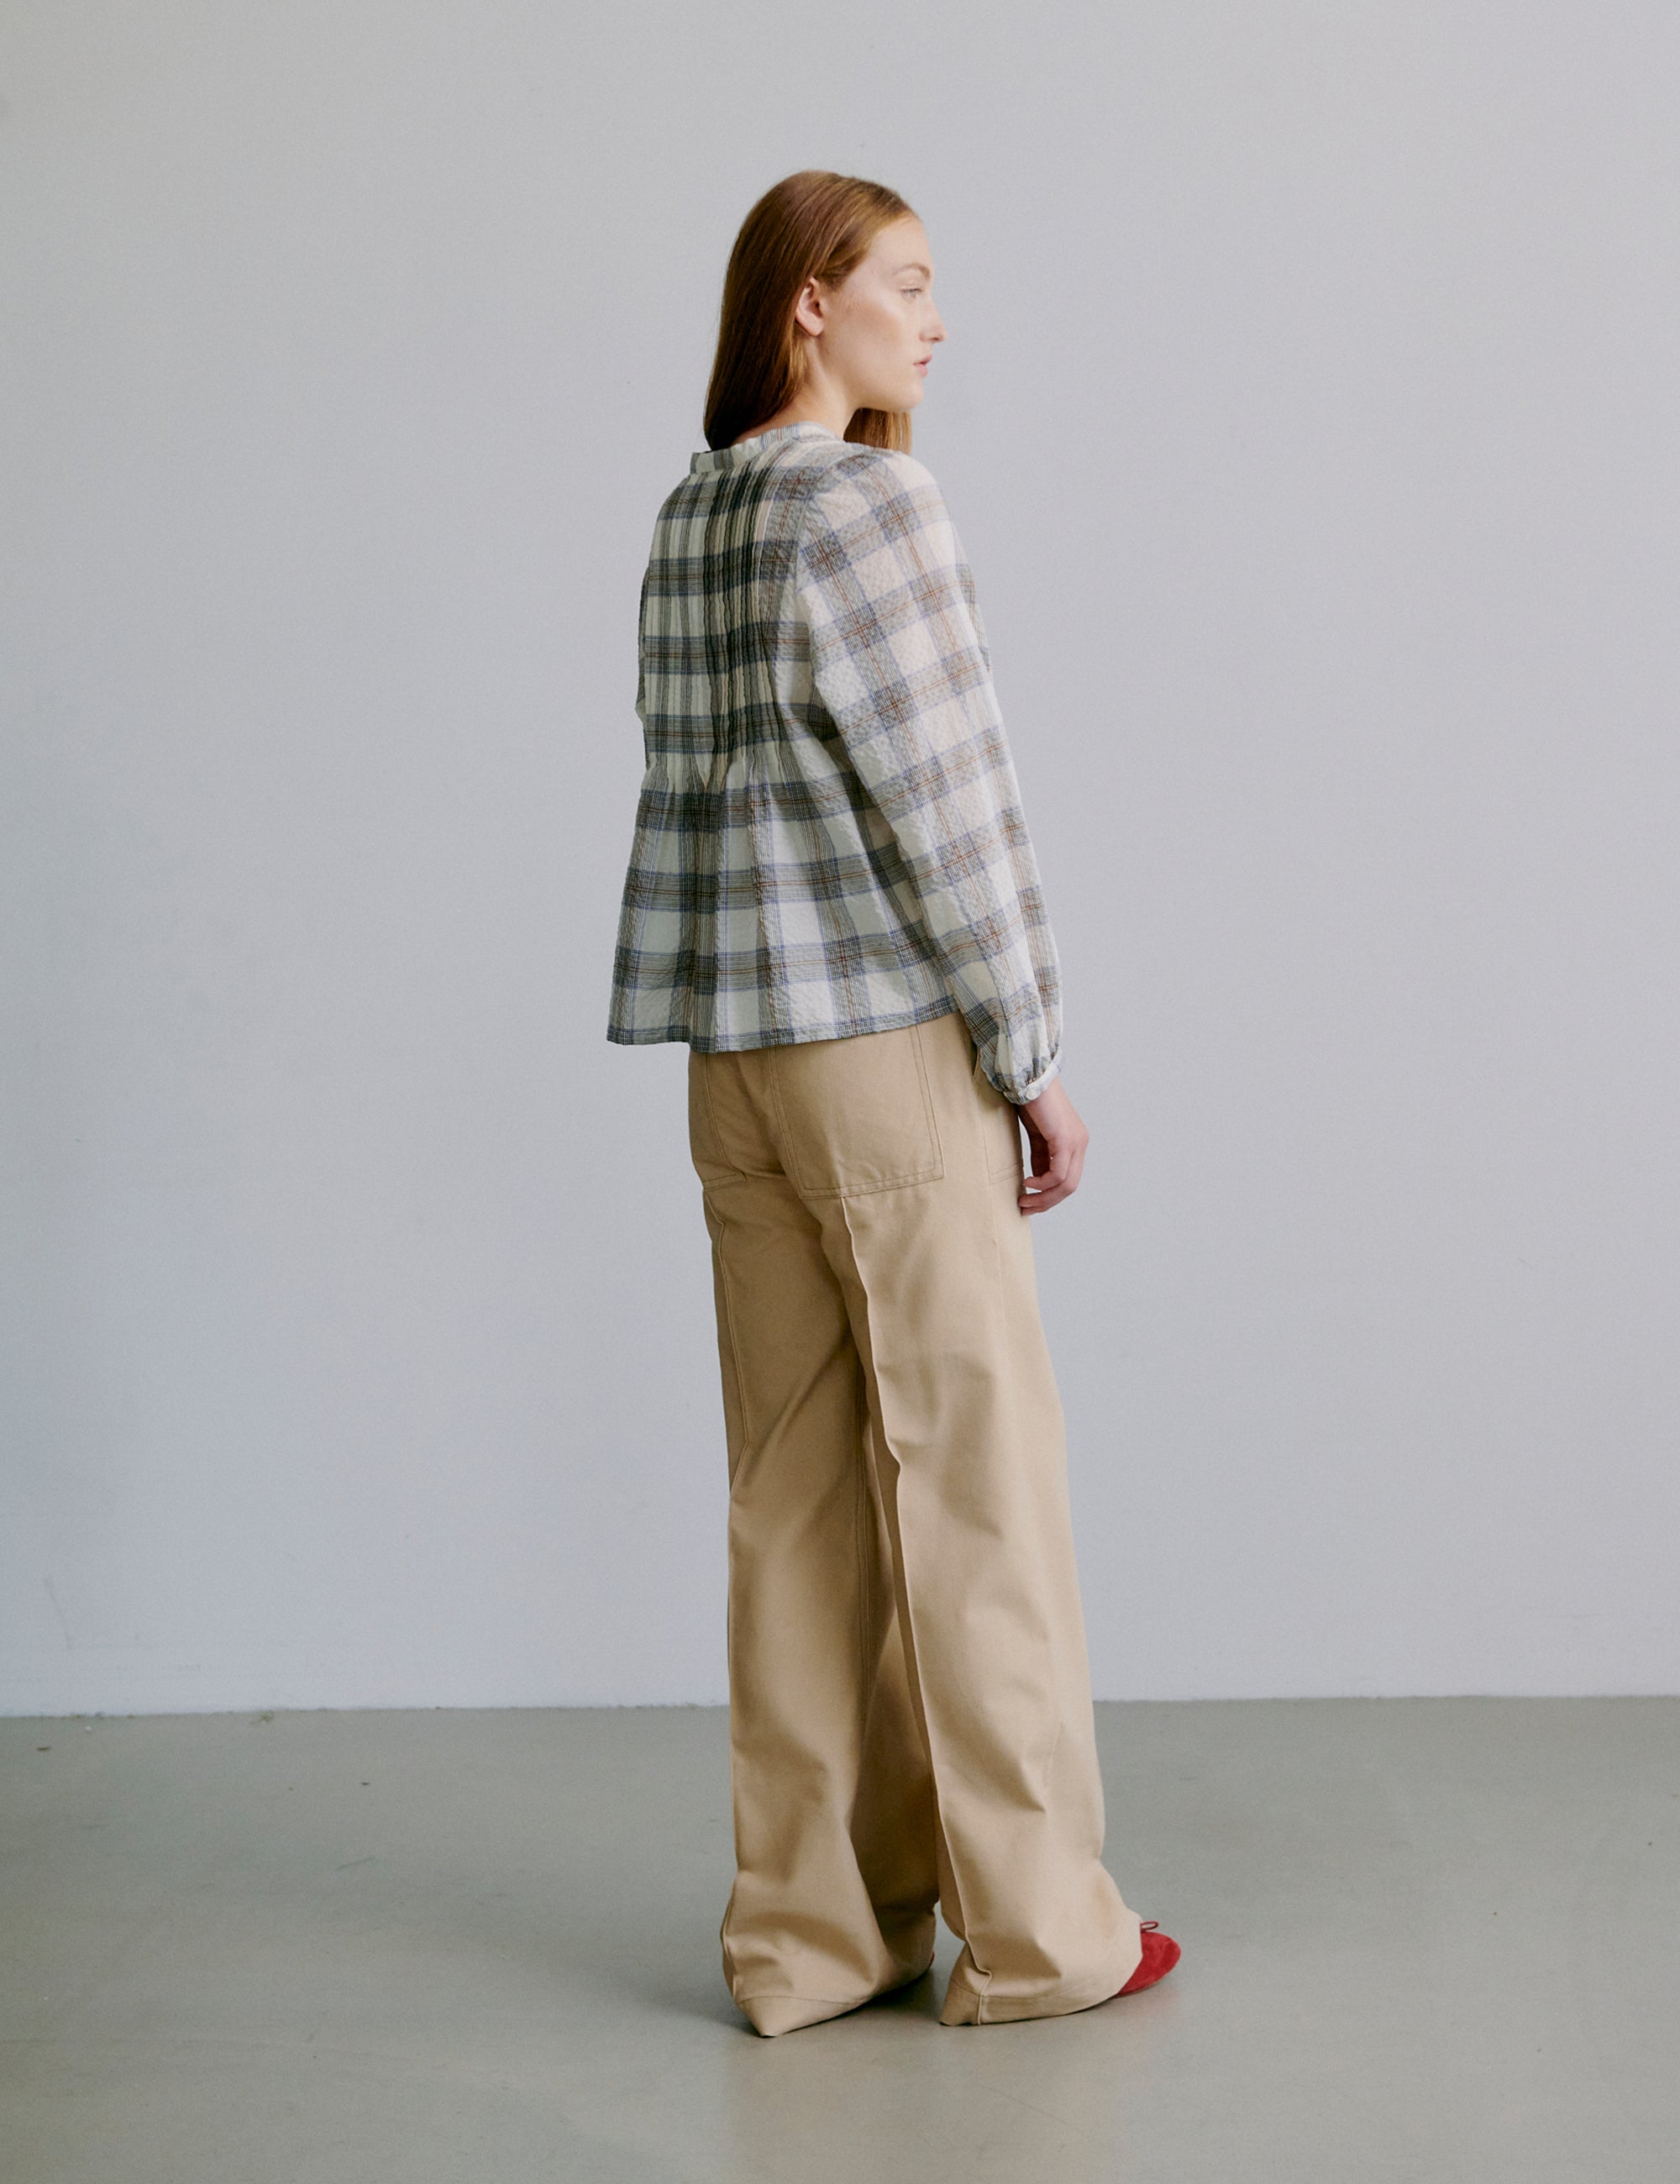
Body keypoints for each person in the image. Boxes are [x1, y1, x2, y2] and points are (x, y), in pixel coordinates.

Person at [607, 168, 1179, 2035]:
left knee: (790, 1501)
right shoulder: (867, 503)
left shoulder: (692, 518)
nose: (935, 323)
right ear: (807, 305)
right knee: (977, 1484)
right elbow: (949, 803)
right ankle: (1040, 1933)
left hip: (734, 1063)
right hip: (872, 1054)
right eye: (908, 285)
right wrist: (1031, 1046)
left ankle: (809, 1936)